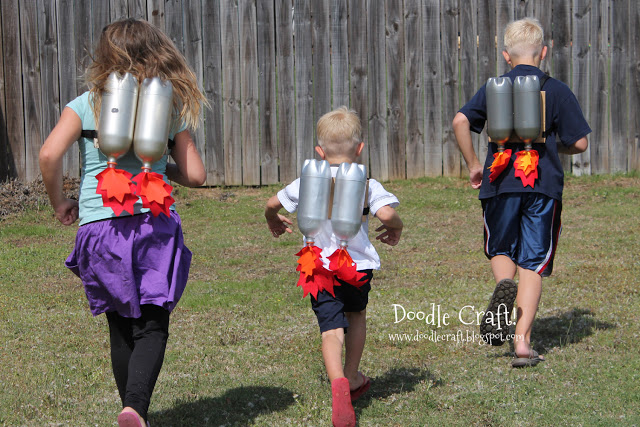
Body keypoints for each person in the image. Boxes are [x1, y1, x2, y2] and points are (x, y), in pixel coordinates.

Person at [39, 18, 207, 426]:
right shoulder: (168, 107)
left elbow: (48, 155)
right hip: (154, 224)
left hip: (101, 229)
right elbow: (197, 176)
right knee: (152, 324)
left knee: (120, 326)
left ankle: (133, 411)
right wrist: (163, 167)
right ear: (158, 52)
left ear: (105, 56)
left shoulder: (85, 104)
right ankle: (135, 408)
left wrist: (61, 201)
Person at [452, 17, 591, 368]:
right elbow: (580, 142)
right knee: (532, 262)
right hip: (542, 187)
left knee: (500, 248)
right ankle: (523, 342)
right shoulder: (556, 90)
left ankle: (503, 284)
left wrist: (473, 164)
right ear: (543, 53)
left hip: (499, 183)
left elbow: (460, 121)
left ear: (505, 55)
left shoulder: (492, 87)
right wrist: (554, 148)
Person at [265, 107, 403, 426]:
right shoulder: (366, 183)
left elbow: (273, 204)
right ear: (359, 149)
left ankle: (337, 382)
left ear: (319, 151)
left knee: (330, 329)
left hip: (316, 266)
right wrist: (398, 226)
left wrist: (272, 219)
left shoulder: (307, 180)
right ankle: (352, 377)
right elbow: (385, 215)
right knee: (356, 317)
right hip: (355, 266)